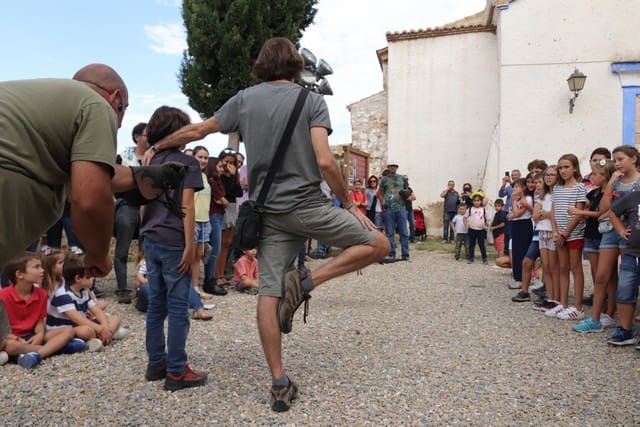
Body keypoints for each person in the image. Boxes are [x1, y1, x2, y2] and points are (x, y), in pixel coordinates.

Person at [144, 37, 389, 411]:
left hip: (268, 214)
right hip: (307, 205)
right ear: (295, 65)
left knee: (268, 297)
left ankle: (279, 382)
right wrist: (349, 203)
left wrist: (157, 147)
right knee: (379, 244)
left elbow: (197, 131)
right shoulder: (311, 100)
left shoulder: (244, 100)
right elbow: (325, 161)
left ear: (261, 65)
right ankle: (306, 282)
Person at [0, 64, 186, 276]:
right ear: (115, 99)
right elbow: (90, 198)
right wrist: (98, 254)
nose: (119, 124)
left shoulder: (38, 104)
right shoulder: (97, 105)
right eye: (123, 110)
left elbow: (91, 175)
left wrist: (144, 176)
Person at [140, 106, 207, 391]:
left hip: (150, 236)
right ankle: (177, 371)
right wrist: (190, 244)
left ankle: (156, 363)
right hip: (174, 239)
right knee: (178, 307)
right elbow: (186, 205)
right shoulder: (187, 163)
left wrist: (144, 234)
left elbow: (143, 202)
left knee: (156, 304)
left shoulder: (150, 160)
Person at [0, 253, 78, 368]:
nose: (42, 270)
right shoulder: (3, 296)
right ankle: (56, 348)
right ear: (19, 274)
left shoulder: (41, 294)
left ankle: (36, 355)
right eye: (36, 267)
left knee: (69, 330)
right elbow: (2, 330)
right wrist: (14, 338)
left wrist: (40, 335)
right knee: (10, 346)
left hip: (32, 335)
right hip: (12, 338)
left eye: (41, 266)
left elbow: (40, 320)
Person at [572, 159, 617, 332]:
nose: (591, 177)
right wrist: (584, 212)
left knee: (609, 277)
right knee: (598, 276)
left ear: (604, 176)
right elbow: (595, 213)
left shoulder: (613, 192)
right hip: (591, 234)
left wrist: (581, 211)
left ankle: (609, 313)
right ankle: (601, 312)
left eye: (595, 174)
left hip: (604, 235)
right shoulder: (593, 193)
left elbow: (602, 212)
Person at [46, 255, 124, 351]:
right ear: (78, 278)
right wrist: (100, 329)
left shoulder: (83, 290)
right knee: (87, 331)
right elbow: (77, 319)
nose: (93, 278)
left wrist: (105, 326)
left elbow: (97, 311)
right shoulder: (63, 294)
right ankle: (106, 336)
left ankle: (104, 336)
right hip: (63, 328)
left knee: (114, 318)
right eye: (89, 276)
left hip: (80, 324)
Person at [546, 154, 587, 320]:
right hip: (559, 235)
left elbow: (578, 213)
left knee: (575, 267)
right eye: (560, 168)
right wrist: (555, 232)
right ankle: (562, 303)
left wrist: (565, 233)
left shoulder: (579, 188)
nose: (563, 171)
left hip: (574, 234)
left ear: (575, 168)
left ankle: (578, 307)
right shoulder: (557, 188)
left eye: (566, 167)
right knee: (563, 268)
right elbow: (553, 212)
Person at [113, 122, 148, 304]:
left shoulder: (155, 157)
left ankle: (143, 286)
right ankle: (122, 289)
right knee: (122, 250)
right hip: (128, 206)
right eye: (147, 134)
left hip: (148, 208)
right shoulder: (123, 156)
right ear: (137, 137)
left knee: (147, 250)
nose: (150, 138)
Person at [607, 179, 640, 346]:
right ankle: (625, 330)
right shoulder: (634, 196)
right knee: (624, 290)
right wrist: (620, 230)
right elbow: (612, 211)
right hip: (632, 253)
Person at [202, 158, 229, 295]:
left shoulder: (212, 181)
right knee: (215, 249)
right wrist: (223, 201)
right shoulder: (212, 182)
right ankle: (210, 280)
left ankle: (209, 278)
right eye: (219, 166)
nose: (222, 169)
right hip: (214, 215)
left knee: (214, 248)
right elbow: (224, 201)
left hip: (216, 215)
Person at [379, 160, 410, 261]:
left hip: (401, 208)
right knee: (389, 233)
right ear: (388, 167)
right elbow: (380, 193)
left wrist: (406, 194)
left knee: (404, 232)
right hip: (389, 209)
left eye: (394, 166)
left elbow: (408, 190)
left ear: (397, 167)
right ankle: (391, 253)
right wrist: (382, 204)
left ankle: (405, 254)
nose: (392, 167)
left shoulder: (402, 178)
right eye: (391, 166)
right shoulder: (384, 180)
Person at [464, 191, 488, 264]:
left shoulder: (483, 210)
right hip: (472, 230)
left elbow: (488, 219)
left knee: (482, 245)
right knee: (471, 245)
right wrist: (466, 225)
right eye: (475, 201)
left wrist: (486, 225)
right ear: (472, 201)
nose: (476, 202)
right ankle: (471, 258)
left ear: (481, 201)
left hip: (481, 230)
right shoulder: (470, 209)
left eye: (478, 200)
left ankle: (484, 258)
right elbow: (465, 217)